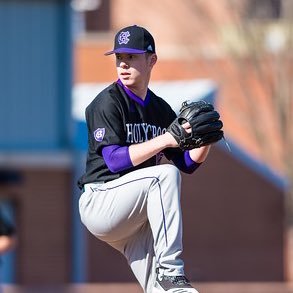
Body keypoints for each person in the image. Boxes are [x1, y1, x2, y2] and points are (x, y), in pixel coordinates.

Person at [78, 25, 213, 293]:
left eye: (131, 57)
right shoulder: (107, 102)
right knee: (163, 176)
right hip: (101, 200)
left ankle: (171, 281)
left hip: (135, 219)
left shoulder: (159, 109)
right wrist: (166, 139)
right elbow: (114, 161)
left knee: (172, 291)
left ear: (151, 60)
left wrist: (206, 139)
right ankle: (171, 269)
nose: (123, 65)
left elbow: (187, 164)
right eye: (119, 58)